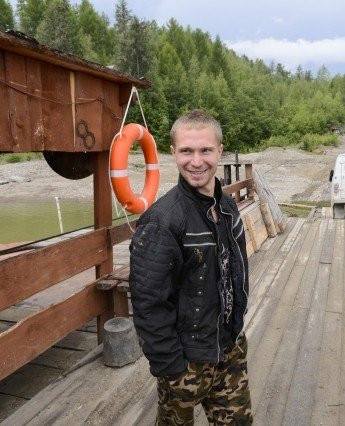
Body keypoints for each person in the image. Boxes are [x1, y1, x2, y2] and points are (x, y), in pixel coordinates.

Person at [129, 109, 252, 425]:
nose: (196, 161)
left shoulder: (227, 206)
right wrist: (171, 368)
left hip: (228, 348)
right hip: (185, 361)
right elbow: (147, 303)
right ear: (174, 152)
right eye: (186, 151)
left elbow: (235, 272)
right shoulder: (162, 221)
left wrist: (235, 328)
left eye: (205, 150)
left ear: (220, 151)